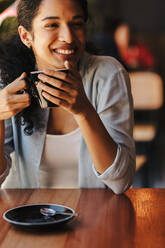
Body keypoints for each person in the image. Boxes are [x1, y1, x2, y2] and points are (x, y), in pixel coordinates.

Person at [0, 0, 135, 194]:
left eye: (76, 24)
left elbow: (121, 181)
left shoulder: (108, 74)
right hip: (26, 217)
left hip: (96, 217)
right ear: (26, 36)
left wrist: (84, 111)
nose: (68, 37)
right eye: (52, 25)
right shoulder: (7, 79)